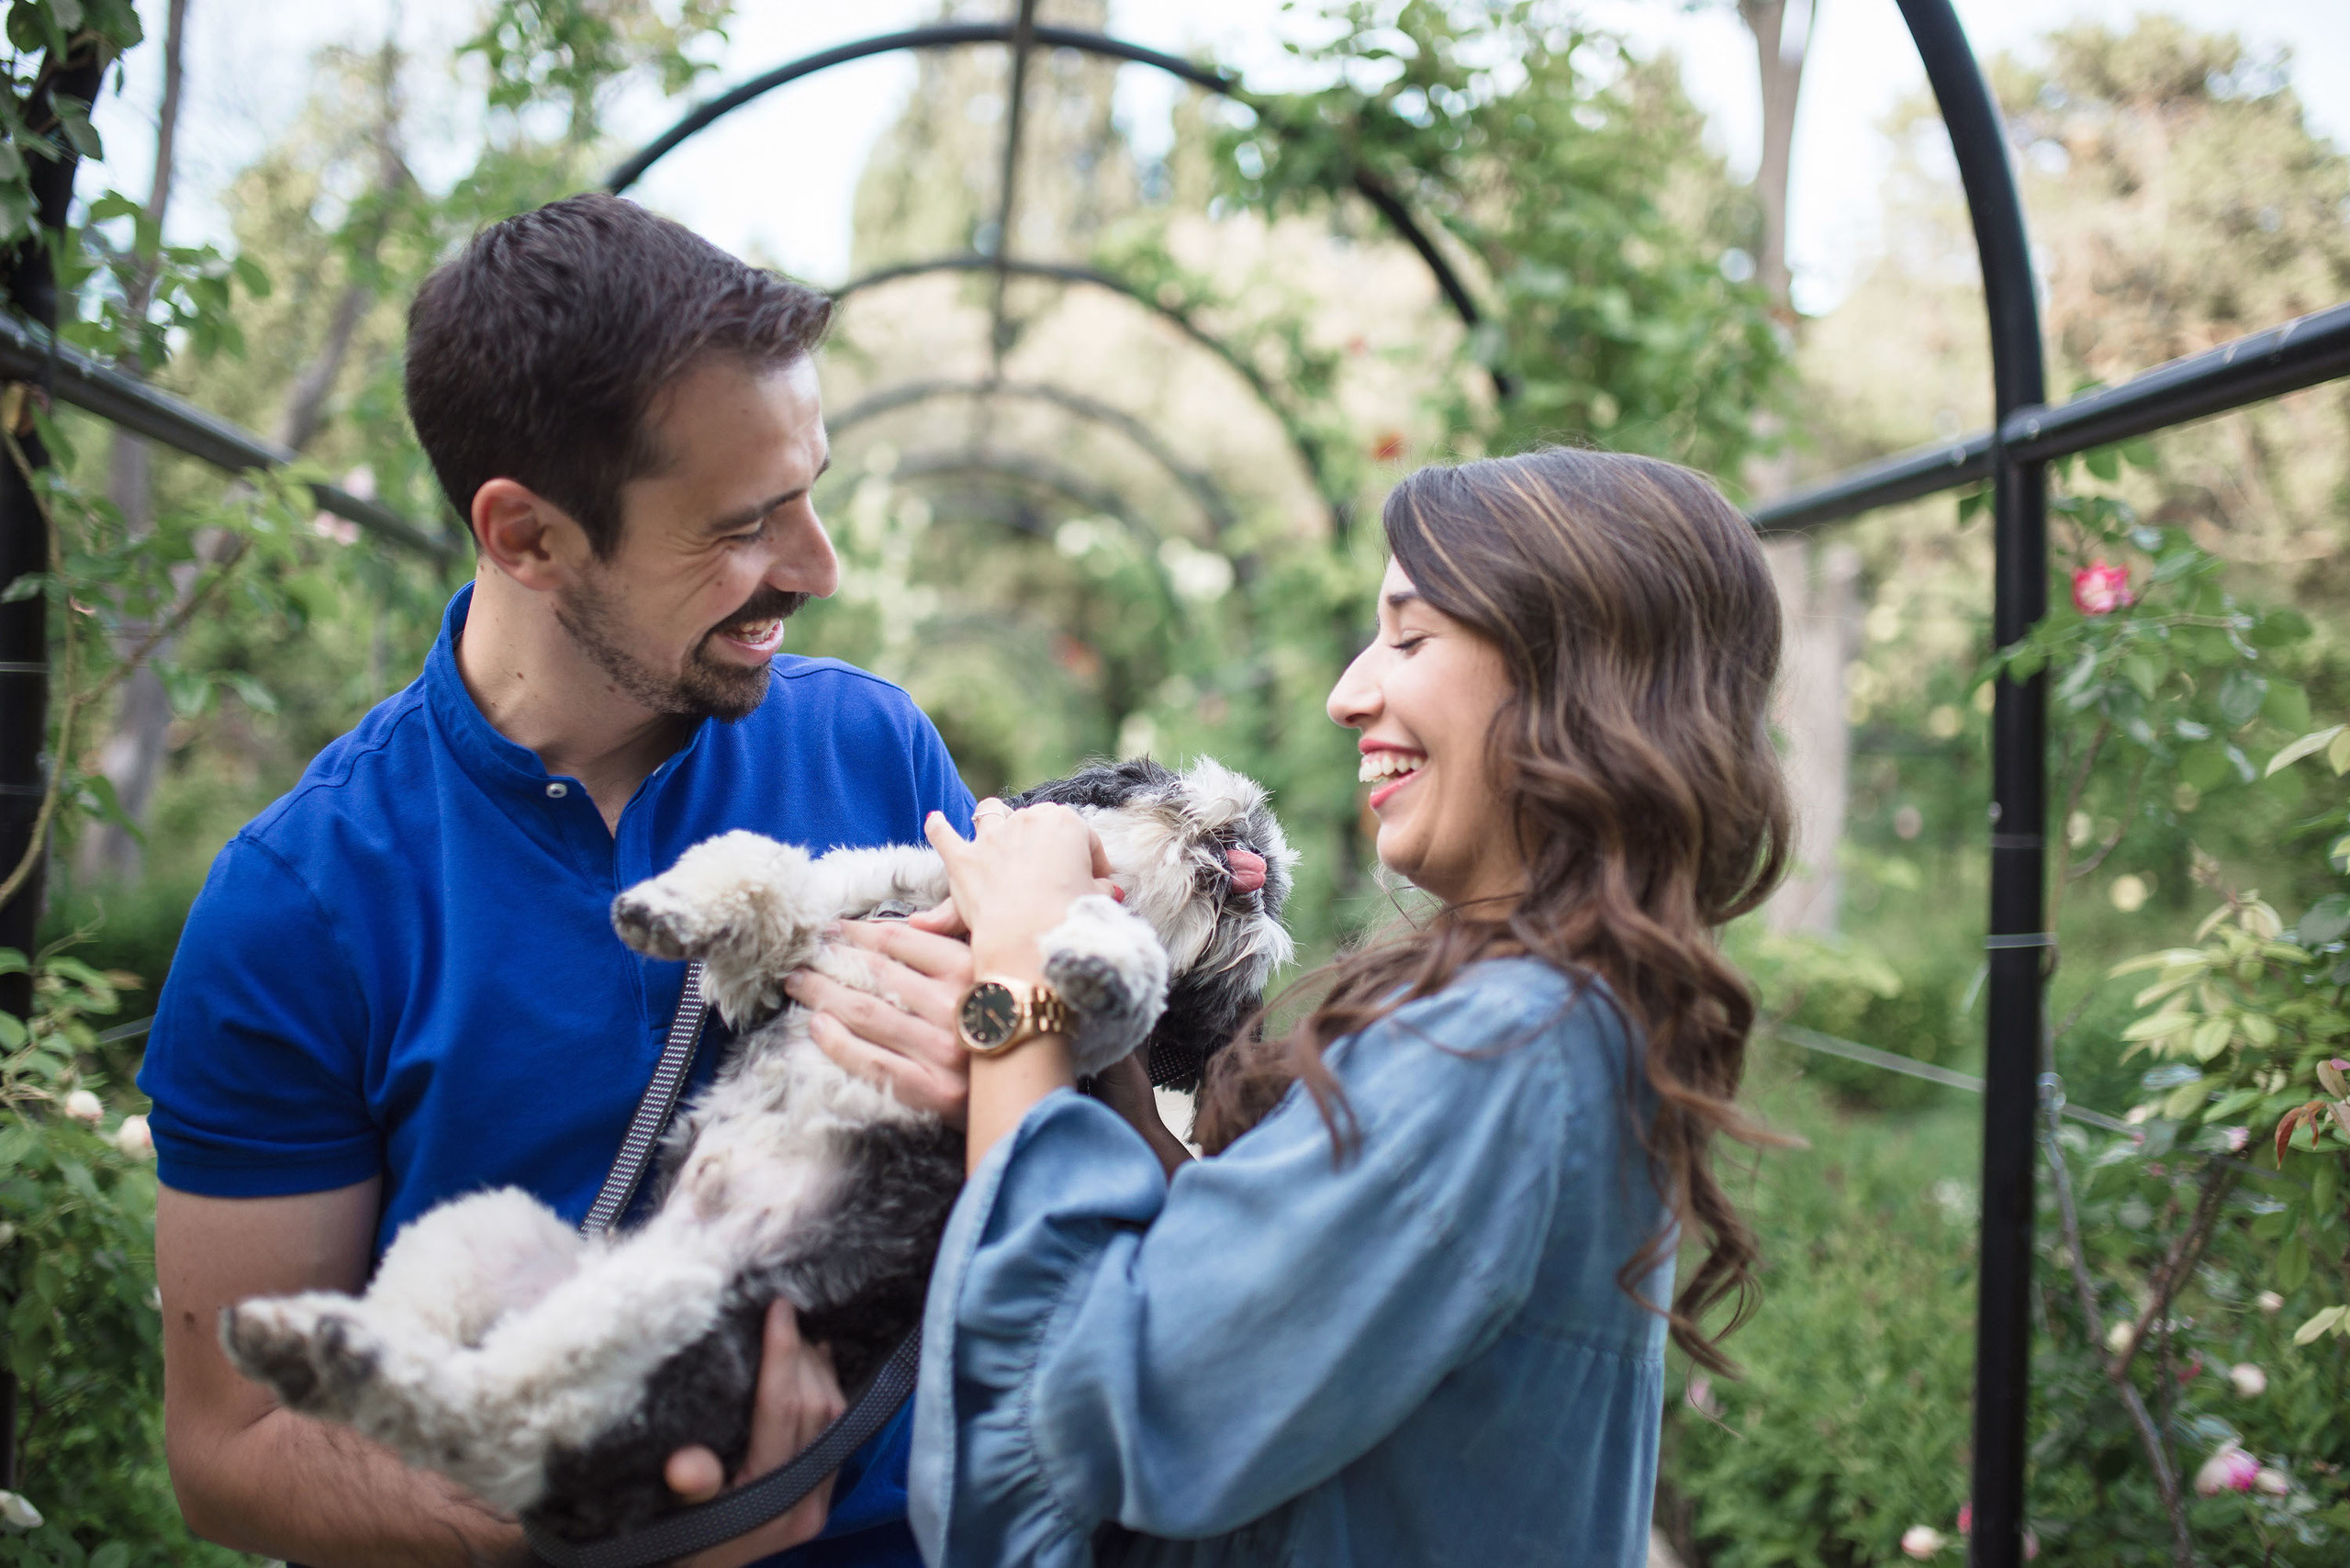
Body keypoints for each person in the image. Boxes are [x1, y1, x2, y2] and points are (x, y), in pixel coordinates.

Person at [139, 194, 979, 1568]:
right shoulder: (301, 906)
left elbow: (1081, 1156)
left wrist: (1016, 1043)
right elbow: (231, 1451)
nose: (818, 566)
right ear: (526, 536)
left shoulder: (874, 746)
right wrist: (614, 1534)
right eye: (742, 526)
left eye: (810, 491)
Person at [806, 447, 1792, 1565]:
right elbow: (1261, 1315)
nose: (1345, 693)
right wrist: (1103, 1072)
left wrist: (1019, 982)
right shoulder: (1552, 1019)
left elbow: (1072, 1423)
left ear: (1578, 677)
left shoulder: (1499, 1046)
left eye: (1410, 637)